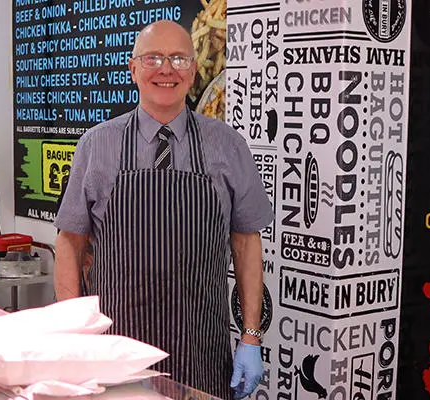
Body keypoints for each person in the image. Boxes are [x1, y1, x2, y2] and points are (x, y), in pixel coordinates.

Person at [53, 20, 271, 400]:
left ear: (194, 71)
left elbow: (246, 243)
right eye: (153, 58)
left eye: (178, 59)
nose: (166, 70)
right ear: (133, 69)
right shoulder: (96, 145)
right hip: (114, 356)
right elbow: (70, 243)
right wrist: (75, 334)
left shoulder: (227, 145)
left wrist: (251, 337)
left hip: (202, 355)